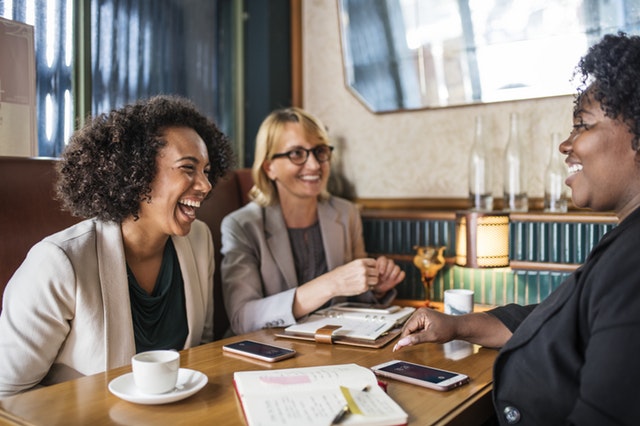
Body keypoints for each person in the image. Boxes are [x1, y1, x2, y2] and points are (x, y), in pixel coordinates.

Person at [393, 32, 640, 425]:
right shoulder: (625, 242)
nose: (566, 144)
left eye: (582, 126)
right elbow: (551, 319)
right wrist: (455, 325)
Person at [0, 95, 234, 397]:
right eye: (189, 168)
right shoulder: (58, 263)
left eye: (206, 170)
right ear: (136, 172)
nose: (205, 185)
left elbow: (200, 349)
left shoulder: (198, 239)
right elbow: (7, 394)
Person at [220, 107, 405, 335]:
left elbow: (355, 300)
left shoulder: (346, 214)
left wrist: (375, 287)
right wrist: (330, 284)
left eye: (320, 151)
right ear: (270, 168)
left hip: (335, 346)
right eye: (297, 153)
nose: (315, 165)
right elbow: (242, 318)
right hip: (270, 353)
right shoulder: (241, 225)